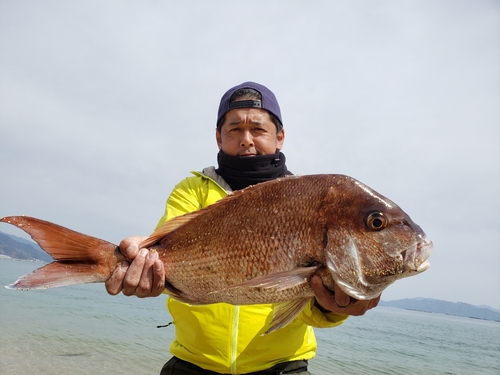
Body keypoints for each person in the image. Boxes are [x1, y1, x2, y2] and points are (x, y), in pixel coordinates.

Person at [105, 82, 380, 375]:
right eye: (234, 129)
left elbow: (310, 307)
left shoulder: (305, 200)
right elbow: (168, 258)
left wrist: (334, 304)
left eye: (258, 129)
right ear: (218, 137)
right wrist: (143, 261)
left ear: (280, 136)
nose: (246, 139)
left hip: (282, 367)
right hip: (192, 364)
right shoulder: (193, 190)